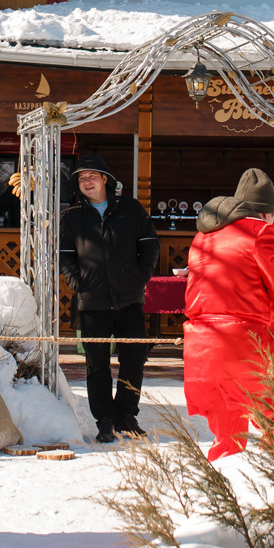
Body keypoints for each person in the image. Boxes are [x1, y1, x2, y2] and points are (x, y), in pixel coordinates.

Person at [184, 169, 274, 460]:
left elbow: (230, 296)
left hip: (201, 342)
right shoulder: (262, 232)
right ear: (267, 213)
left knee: (227, 433)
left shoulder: (204, 235)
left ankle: (218, 488)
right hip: (244, 343)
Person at [58, 154, 158, 443]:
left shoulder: (131, 209)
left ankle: (127, 416)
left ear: (106, 179)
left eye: (92, 175)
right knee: (97, 364)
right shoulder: (72, 217)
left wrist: (139, 278)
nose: (86, 181)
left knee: (133, 359)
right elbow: (66, 257)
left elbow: (150, 245)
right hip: (92, 304)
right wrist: (79, 283)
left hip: (129, 301)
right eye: (81, 178)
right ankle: (104, 419)